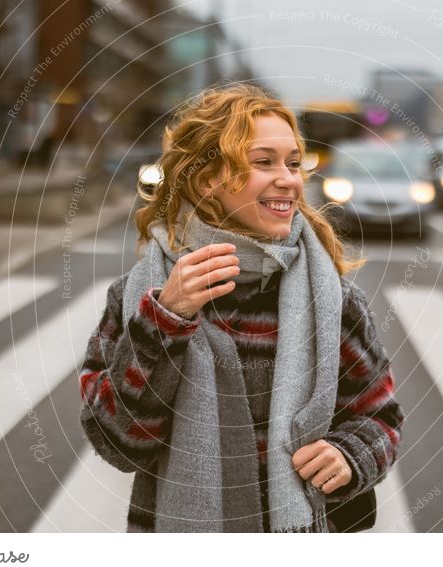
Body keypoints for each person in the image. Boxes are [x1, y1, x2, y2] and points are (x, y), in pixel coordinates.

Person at [79, 82, 404, 533]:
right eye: (264, 162)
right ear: (207, 179)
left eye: (293, 163)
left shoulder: (331, 297)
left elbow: (379, 417)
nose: (289, 179)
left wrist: (350, 455)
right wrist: (166, 319)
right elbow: (118, 442)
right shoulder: (142, 296)